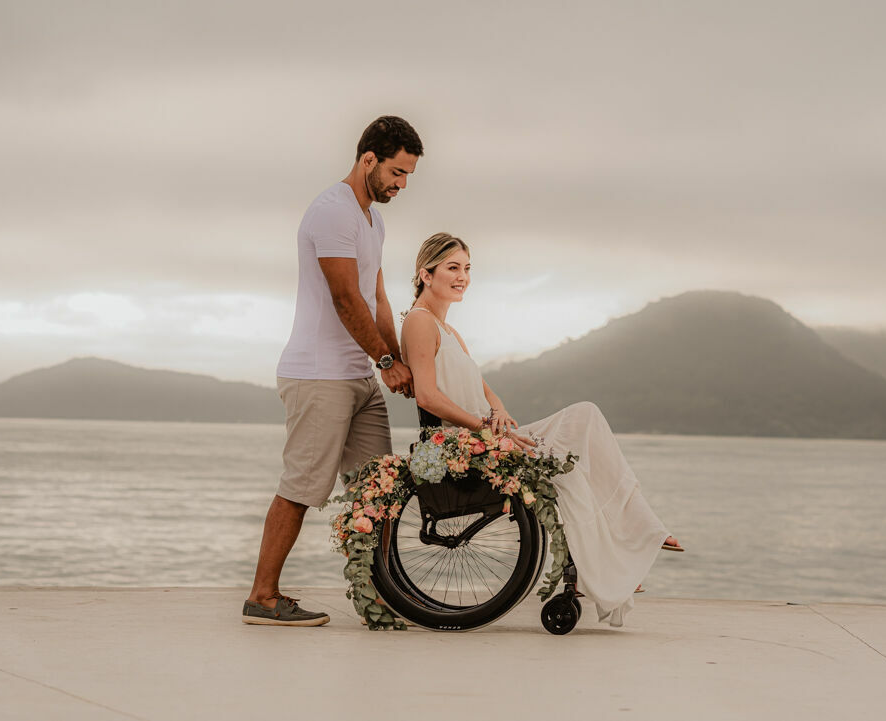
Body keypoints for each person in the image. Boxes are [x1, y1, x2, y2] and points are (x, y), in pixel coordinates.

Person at [399, 233, 683, 627]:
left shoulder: (450, 332)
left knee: (584, 420)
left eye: (467, 269)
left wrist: (497, 415)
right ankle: (628, 543)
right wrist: (484, 426)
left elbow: (487, 392)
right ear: (425, 274)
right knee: (579, 426)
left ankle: (627, 539)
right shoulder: (418, 322)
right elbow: (428, 396)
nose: (462, 276)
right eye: (452, 268)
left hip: (487, 436)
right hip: (462, 442)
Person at [242, 116, 423, 626]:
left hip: (359, 377)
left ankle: (378, 596)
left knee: (377, 489)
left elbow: (377, 298)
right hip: (319, 374)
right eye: (397, 171)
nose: (401, 184)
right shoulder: (332, 212)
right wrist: (387, 361)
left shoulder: (374, 220)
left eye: (408, 175)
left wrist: (397, 359)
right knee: (303, 487)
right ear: (368, 159)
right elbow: (345, 299)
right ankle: (263, 597)